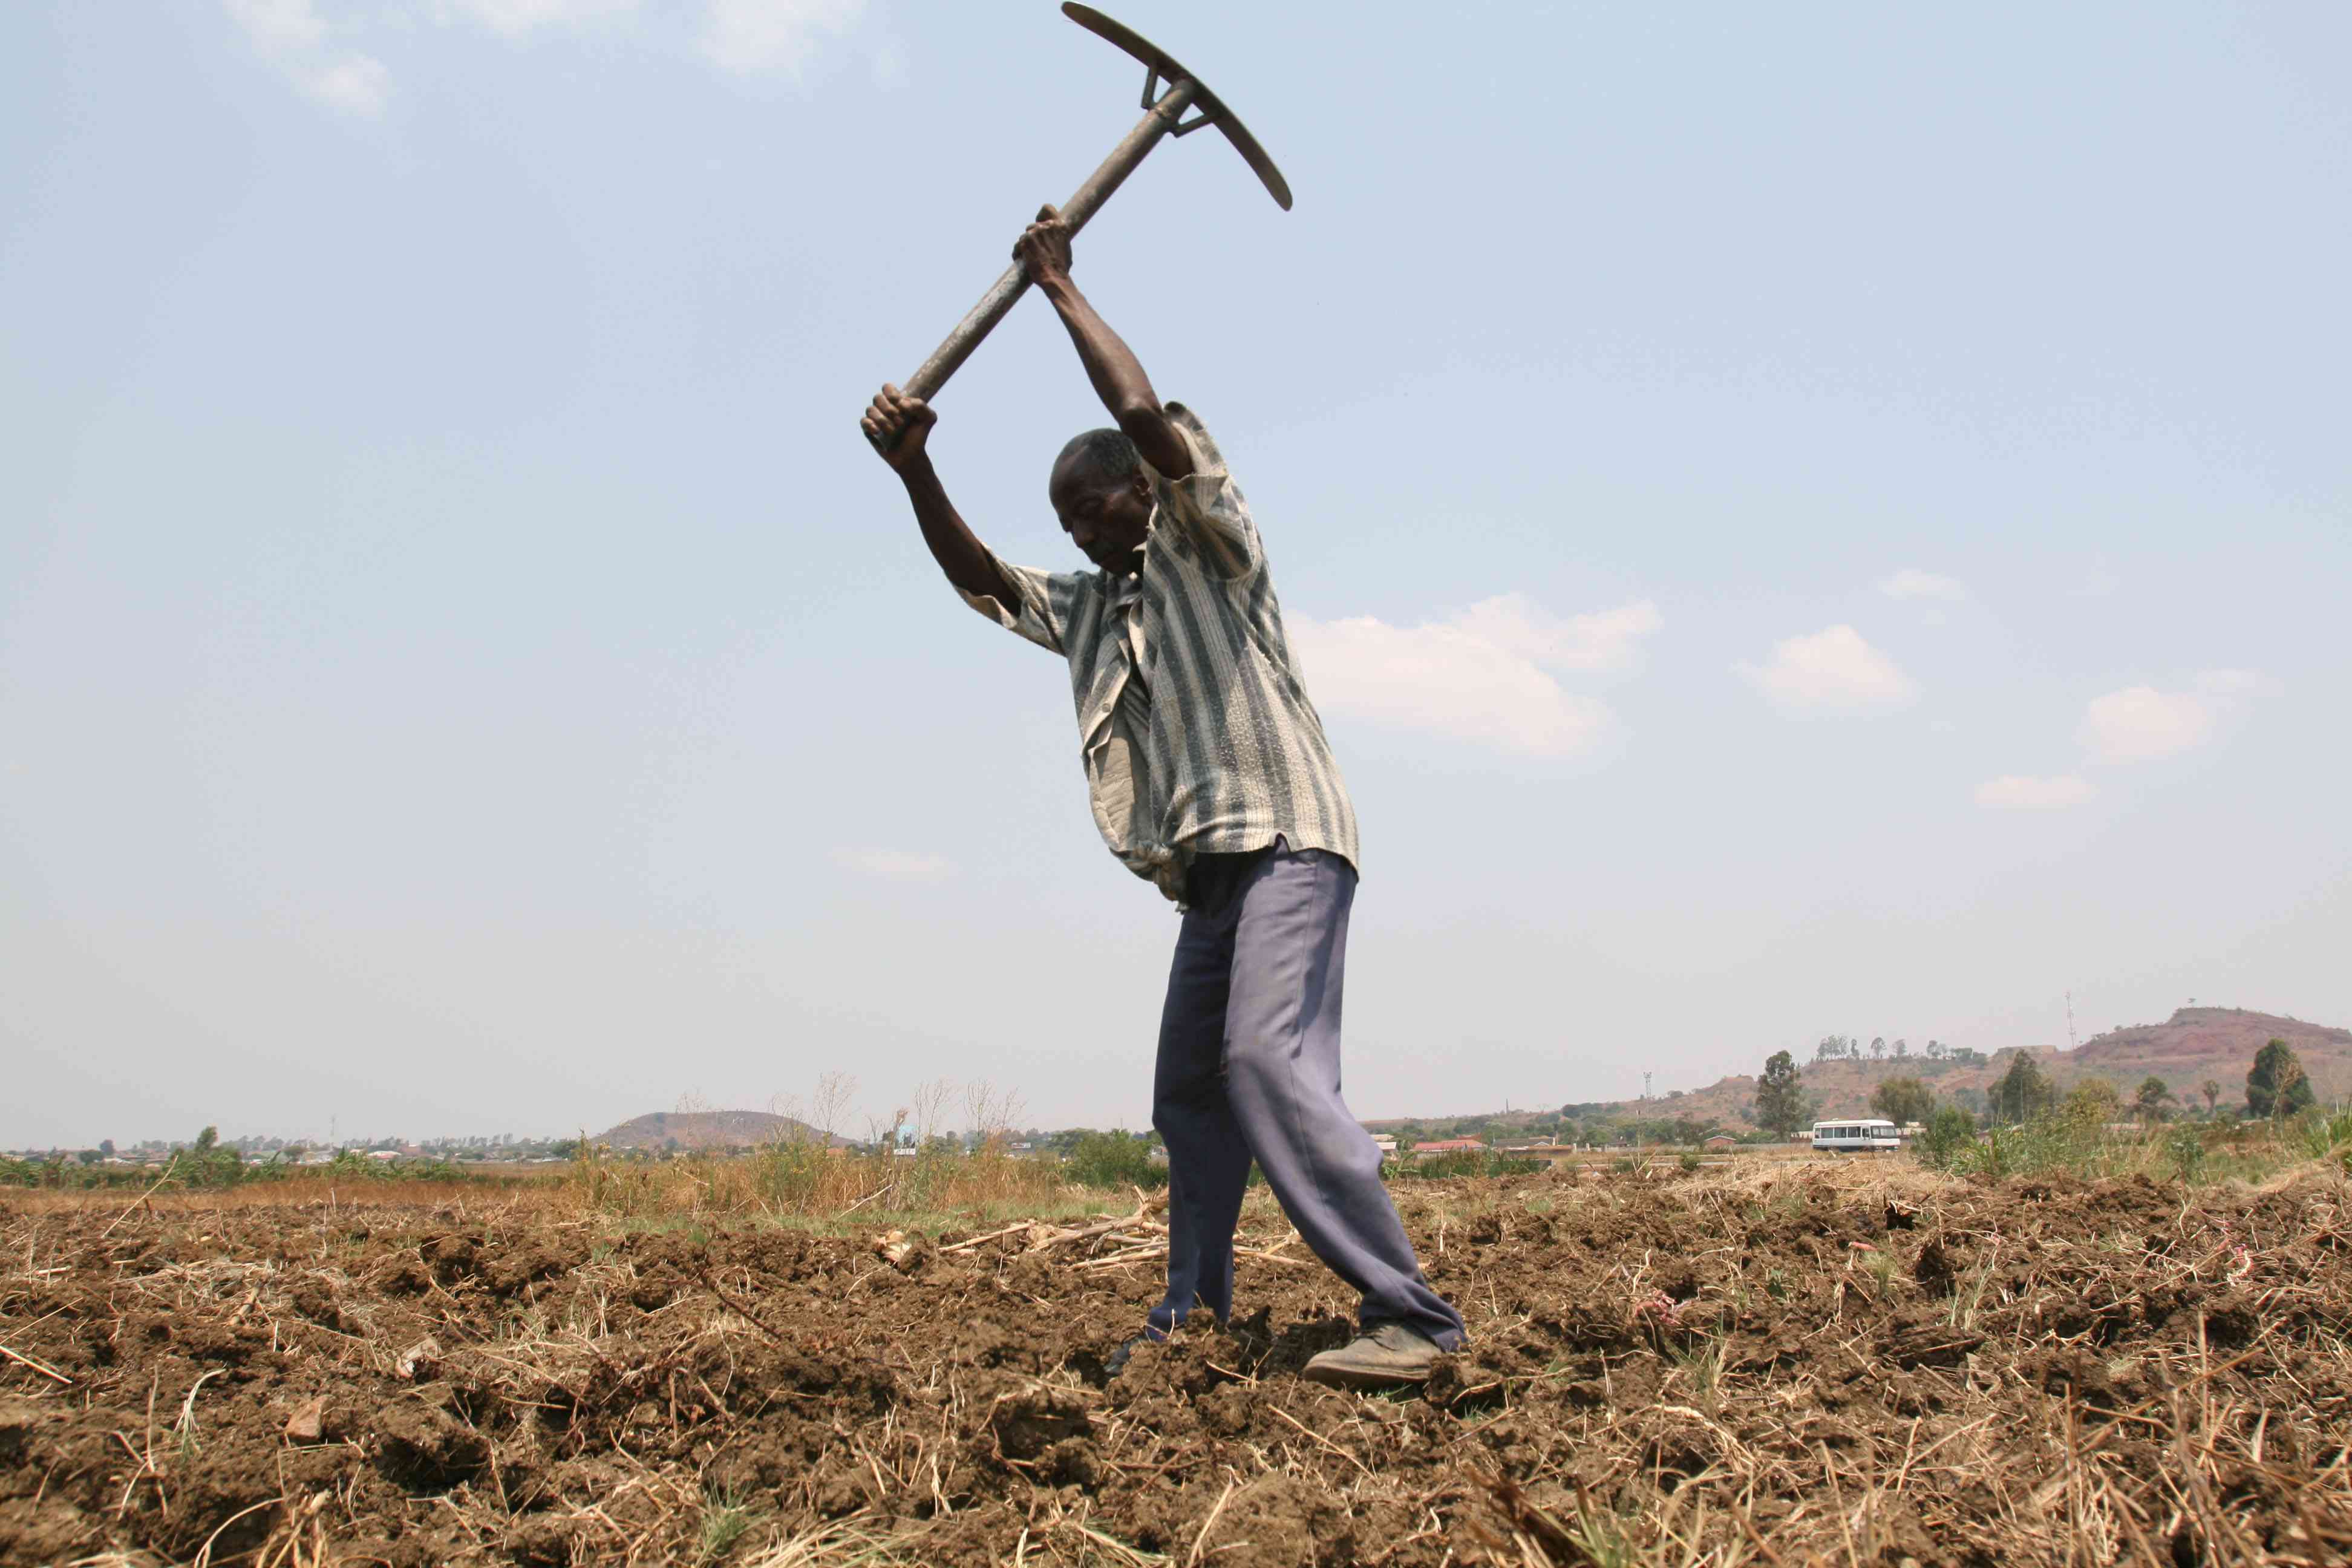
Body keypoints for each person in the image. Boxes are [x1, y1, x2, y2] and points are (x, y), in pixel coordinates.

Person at [860, 204, 1465, 1387]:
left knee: (1264, 1061)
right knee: (1191, 1091)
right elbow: (976, 578)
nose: (1093, 529)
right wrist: (916, 466)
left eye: (1107, 502)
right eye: (1074, 521)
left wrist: (1059, 291)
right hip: (1213, 873)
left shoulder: (1209, 540)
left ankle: (1415, 1317)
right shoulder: (1095, 610)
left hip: (1289, 837)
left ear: (1150, 489)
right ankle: (1196, 1313)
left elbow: (1142, 414)